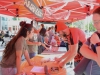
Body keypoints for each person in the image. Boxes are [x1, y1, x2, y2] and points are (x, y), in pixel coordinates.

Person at [80, 7, 100, 75]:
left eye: (97, 22)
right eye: (94, 22)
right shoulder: (96, 34)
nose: (94, 25)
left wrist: (97, 44)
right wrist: (96, 57)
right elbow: (82, 49)